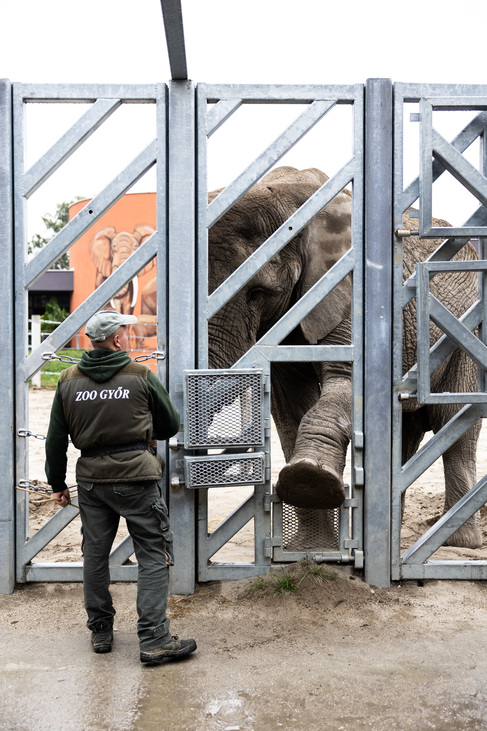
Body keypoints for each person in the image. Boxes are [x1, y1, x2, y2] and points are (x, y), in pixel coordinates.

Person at [45, 309, 196, 665]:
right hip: (137, 479)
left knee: (95, 556)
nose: (126, 338)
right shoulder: (140, 374)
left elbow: (55, 440)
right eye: (124, 333)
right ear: (115, 340)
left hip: (92, 482)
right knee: (153, 555)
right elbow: (171, 424)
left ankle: (100, 629)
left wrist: (57, 483)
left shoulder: (67, 380)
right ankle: (154, 638)